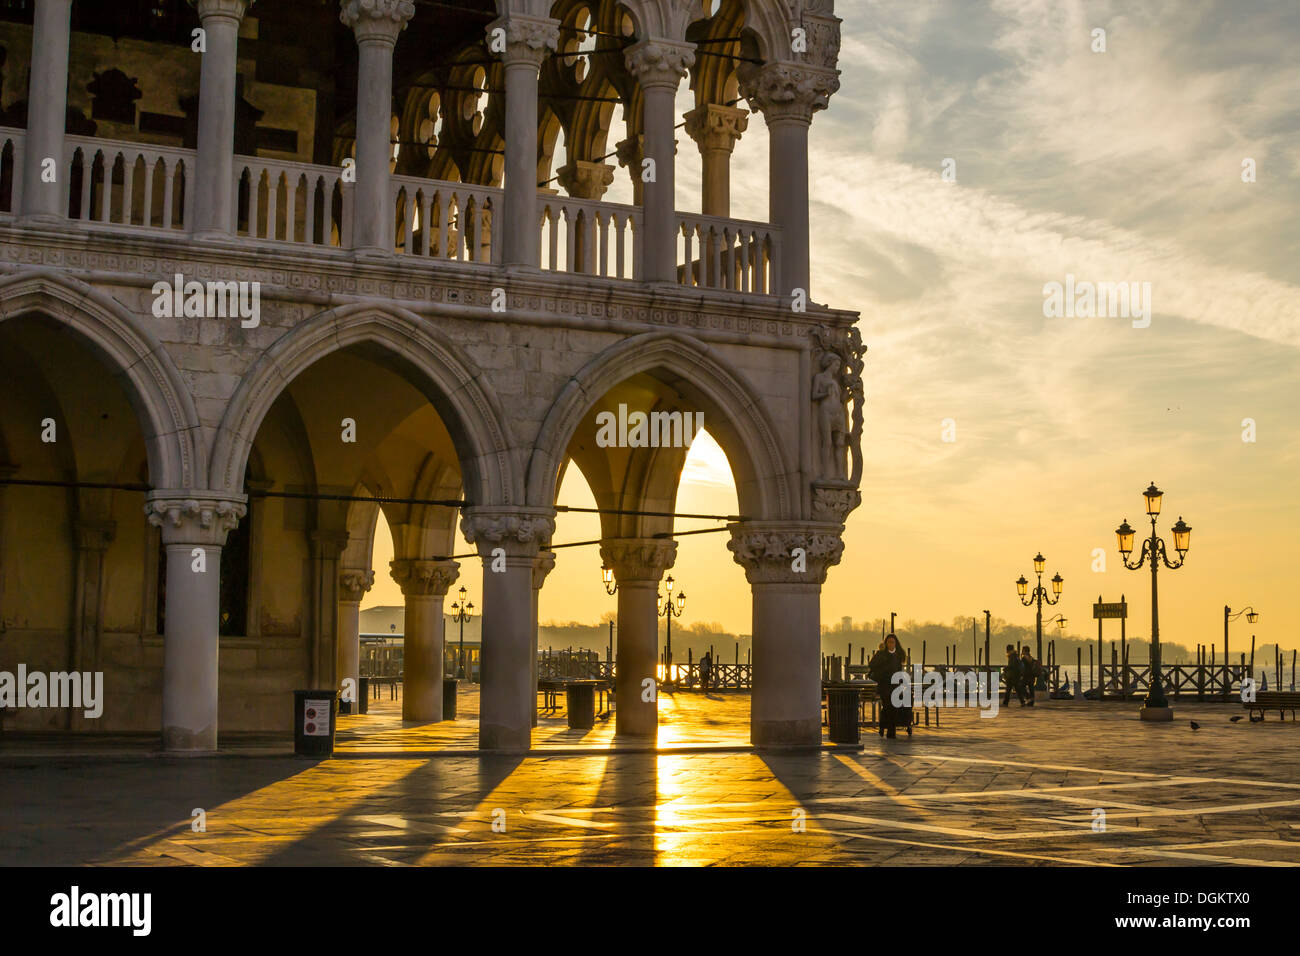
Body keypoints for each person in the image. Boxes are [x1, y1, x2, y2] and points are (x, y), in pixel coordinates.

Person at [868, 633, 910, 738]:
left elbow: (899, 669)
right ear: (886, 643)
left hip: (895, 684)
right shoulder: (881, 654)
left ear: (896, 643)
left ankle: (888, 730)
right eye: (889, 642)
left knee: (893, 707)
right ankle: (886, 729)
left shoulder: (898, 655)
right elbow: (871, 664)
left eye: (893, 642)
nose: (891, 644)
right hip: (884, 684)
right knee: (887, 707)